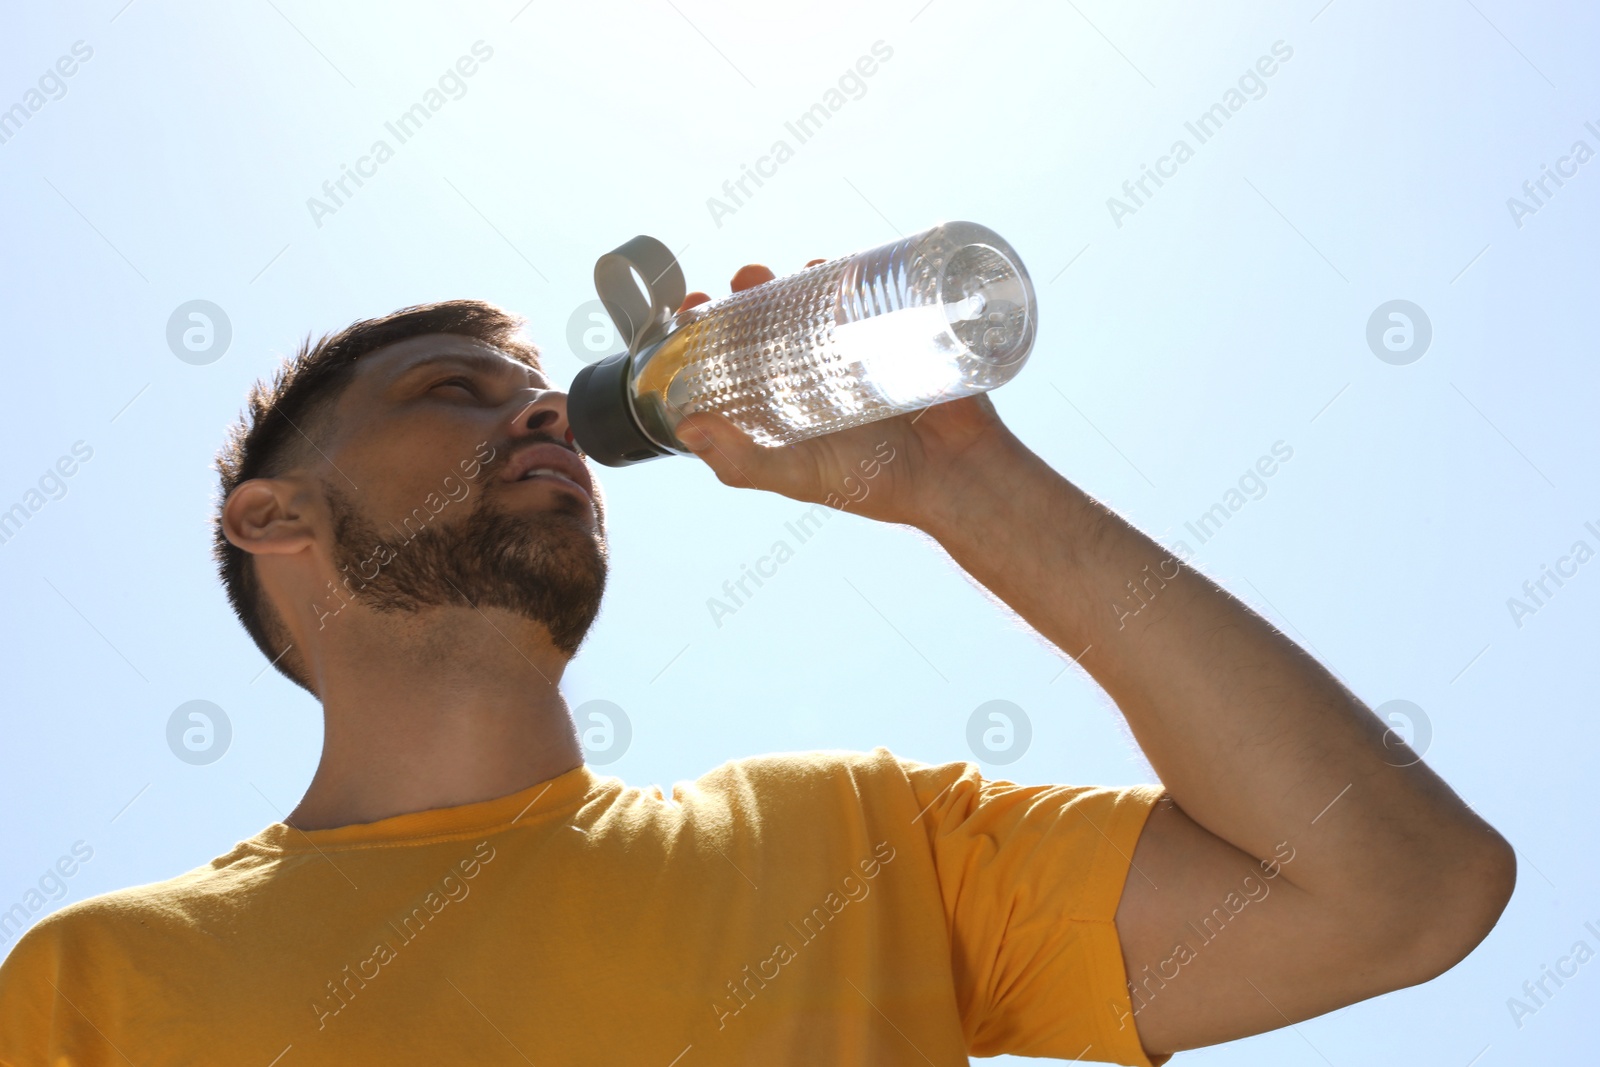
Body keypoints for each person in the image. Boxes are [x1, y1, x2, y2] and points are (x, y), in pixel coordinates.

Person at [0, 265, 1513, 1066]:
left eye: (546, 400)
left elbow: (1405, 893)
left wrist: (960, 486)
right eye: (457, 395)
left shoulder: (858, 843)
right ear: (274, 518)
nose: (538, 418)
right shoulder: (102, 986)